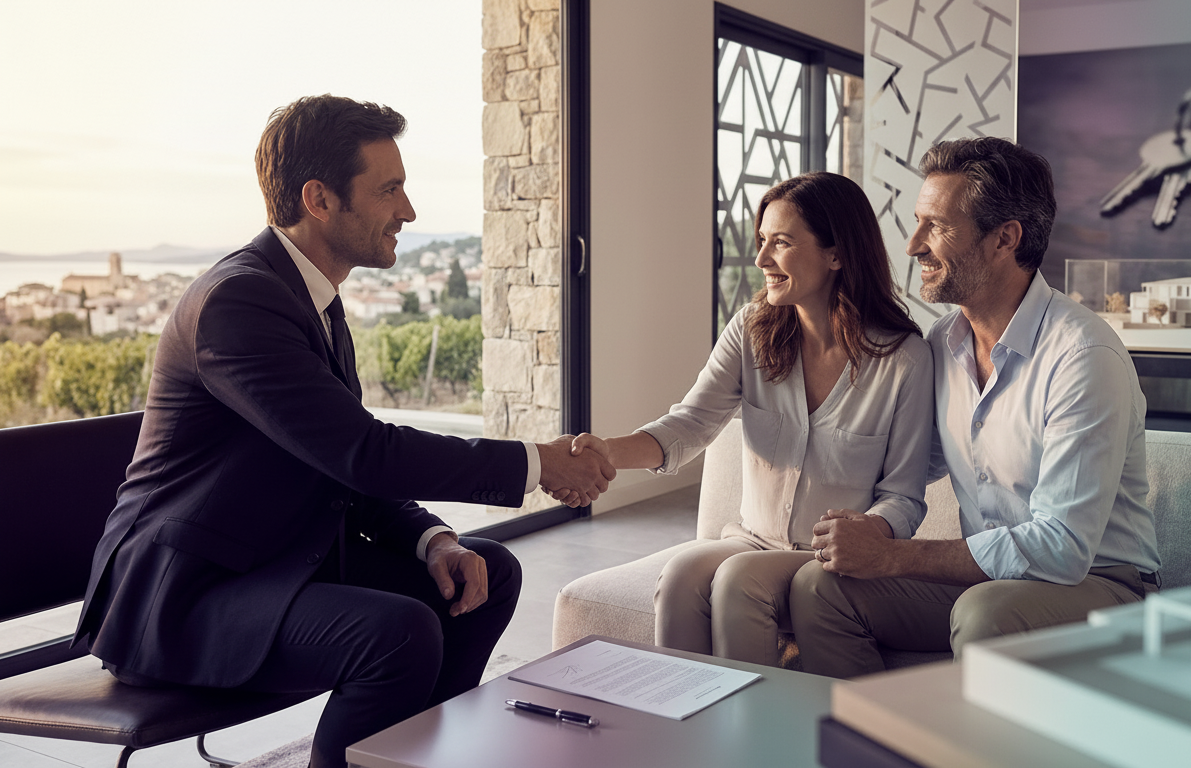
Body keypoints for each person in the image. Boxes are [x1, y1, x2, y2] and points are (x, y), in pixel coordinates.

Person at [73, 95, 616, 768]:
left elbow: (339, 458)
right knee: (398, 633)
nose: (409, 211)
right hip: (184, 597)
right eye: (389, 189)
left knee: (486, 575)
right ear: (319, 198)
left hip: (271, 563)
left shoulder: (311, 299)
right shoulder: (238, 302)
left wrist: (431, 538)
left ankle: (406, 760)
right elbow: (362, 454)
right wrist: (538, 463)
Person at [790, 137, 1162, 678]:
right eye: (917, 222)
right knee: (819, 588)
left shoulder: (1084, 356)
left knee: (985, 612)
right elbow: (906, 467)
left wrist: (893, 557)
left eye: (935, 226)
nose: (913, 244)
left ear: (1004, 239)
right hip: (990, 583)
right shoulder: (941, 345)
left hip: (1100, 585)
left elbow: (1062, 549)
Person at [556, 172, 934, 667]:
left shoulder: (903, 359)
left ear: (836, 254)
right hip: (750, 538)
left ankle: (753, 732)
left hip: (825, 561)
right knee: (680, 575)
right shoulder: (752, 329)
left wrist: (871, 533)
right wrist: (609, 451)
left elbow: (903, 497)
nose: (761, 260)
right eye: (762, 242)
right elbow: (690, 423)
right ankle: (685, 728)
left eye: (781, 242)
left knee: (739, 580)